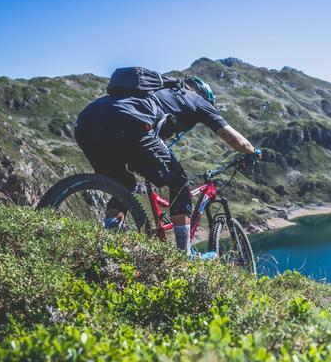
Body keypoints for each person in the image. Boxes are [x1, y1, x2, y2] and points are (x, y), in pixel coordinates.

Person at [74, 73, 257, 258]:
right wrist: (252, 152)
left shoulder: (153, 91)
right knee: (179, 181)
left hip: (85, 123)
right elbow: (235, 140)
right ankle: (184, 255)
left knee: (123, 184)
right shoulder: (197, 100)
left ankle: (108, 241)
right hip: (129, 123)